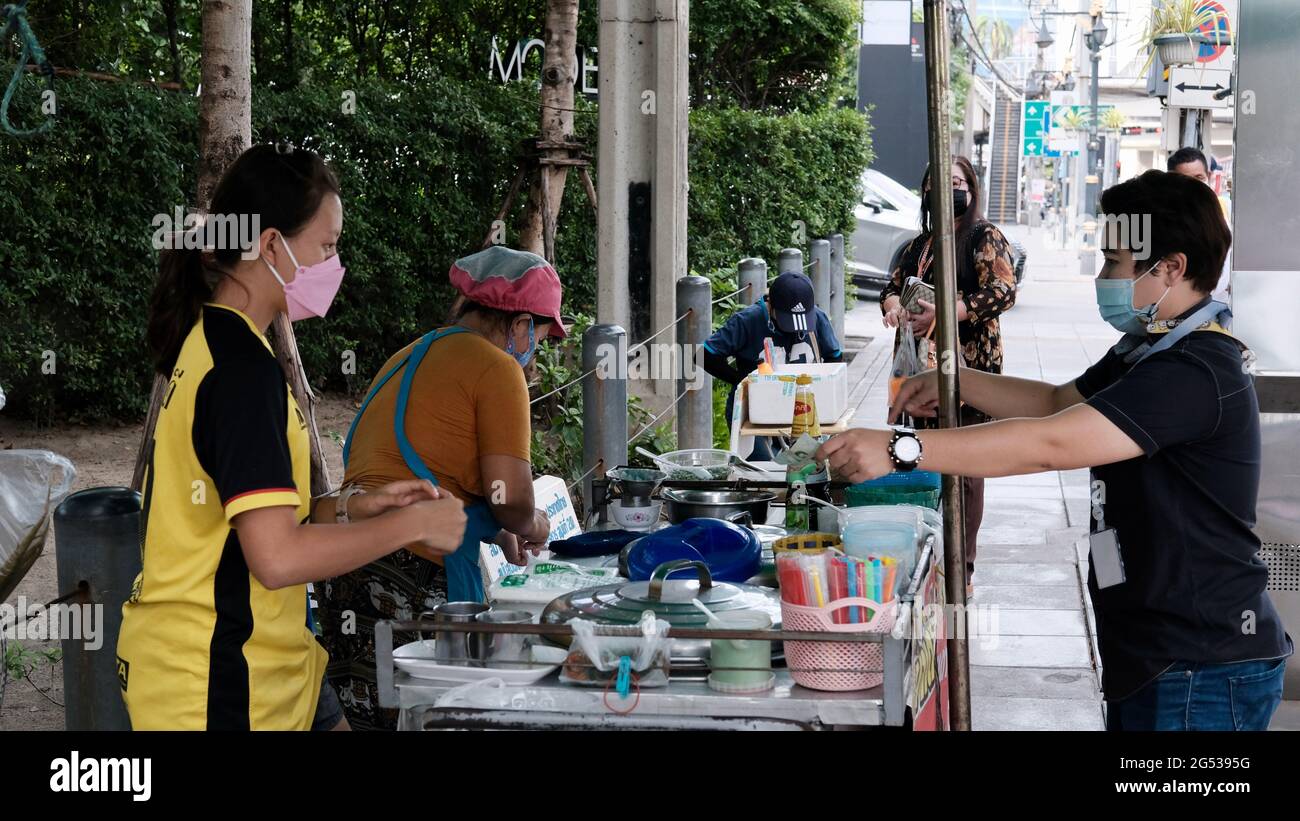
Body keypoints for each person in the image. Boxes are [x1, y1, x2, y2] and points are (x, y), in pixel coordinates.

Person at [817, 170, 1292, 731]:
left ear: (1170, 268)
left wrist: (901, 449)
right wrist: (955, 380)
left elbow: (1051, 443)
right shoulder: (1146, 349)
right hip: (1158, 650)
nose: (1103, 277)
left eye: (1115, 263)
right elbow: (1053, 402)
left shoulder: (1193, 370)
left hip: (1200, 663)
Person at [120, 145, 468, 731]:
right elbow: (276, 557)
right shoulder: (238, 372)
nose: (336, 263)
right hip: (217, 684)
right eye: (327, 245)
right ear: (272, 245)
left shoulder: (221, 343)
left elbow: (251, 518)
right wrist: (411, 527)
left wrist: (354, 509)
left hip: (275, 663)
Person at [316, 245, 565, 730]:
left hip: (344, 568)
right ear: (517, 324)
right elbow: (511, 499)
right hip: (411, 576)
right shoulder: (498, 367)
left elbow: (429, 469)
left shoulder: (406, 356)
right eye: (539, 333)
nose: (537, 348)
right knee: (434, 718)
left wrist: (491, 528)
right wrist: (533, 523)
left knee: (370, 719)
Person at [879, 155, 1016, 597]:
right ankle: (931, 555)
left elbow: (1003, 290)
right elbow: (891, 286)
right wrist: (894, 307)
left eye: (958, 181)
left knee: (968, 465)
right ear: (926, 191)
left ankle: (965, 569)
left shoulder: (983, 236)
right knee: (925, 454)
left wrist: (950, 312)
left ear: (971, 190)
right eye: (941, 182)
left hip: (971, 367)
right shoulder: (918, 245)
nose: (951, 188)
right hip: (920, 370)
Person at [703, 271, 842, 460]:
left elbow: (834, 356)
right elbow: (705, 355)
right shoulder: (747, 321)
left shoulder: (818, 318)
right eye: (788, 321)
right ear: (771, 306)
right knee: (762, 472)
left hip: (803, 406)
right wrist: (742, 381)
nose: (795, 328)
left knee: (807, 466)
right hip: (756, 409)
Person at [1168, 146, 1232, 305]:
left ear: (1208, 176)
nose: (1194, 187)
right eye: (1185, 180)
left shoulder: (1227, 209)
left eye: (1199, 178)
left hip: (1218, 306)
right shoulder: (1164, 216)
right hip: (1177, 306)